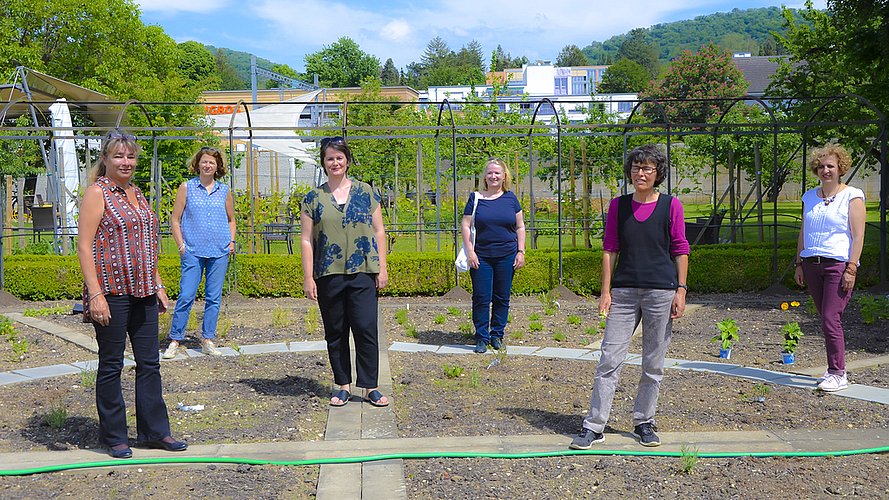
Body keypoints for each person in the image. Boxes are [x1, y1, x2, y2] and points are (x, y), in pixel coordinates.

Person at [570, 144, 689, 449]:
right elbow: (610, 248)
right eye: (636, 167)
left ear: (658, 173)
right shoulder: (618, 206)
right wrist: (606, 291)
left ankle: (644, 422)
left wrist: (681, 289)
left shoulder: (671, 205)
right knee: (609, 359)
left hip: (660, 291)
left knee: (653, 362)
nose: (641, 173)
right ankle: (594, 425)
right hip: (623, 293)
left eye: (648, 168)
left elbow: (680, 248)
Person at [77, 130, 187, 459]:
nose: (126, 162)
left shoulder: (137, 193)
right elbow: (84, 247)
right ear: (106, 160)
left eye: (130, 157)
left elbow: (147, 245)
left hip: (143, 292)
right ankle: (114, 437)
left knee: (149, 364)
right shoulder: (97, 193)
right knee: (111, 365)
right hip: (110, 291)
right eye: (119, 157)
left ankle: (155, 432)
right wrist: (95, 295)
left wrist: (158, 284)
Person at [300, 137, 389, 407]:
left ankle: (370, 386)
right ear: (324, 163)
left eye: (339, 158)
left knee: (365, 329)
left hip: (364, 271)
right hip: (328, 274)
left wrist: (382, 267)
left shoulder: (366, 193)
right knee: (335, 331)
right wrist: (307, 277)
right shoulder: (313, 198)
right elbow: (305, 238)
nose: (335, 163)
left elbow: (379, 231)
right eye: (330, 158)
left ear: (347, 160)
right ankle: (342, 385)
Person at [794, 143, 865, 392]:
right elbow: (804, 231)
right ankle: (832, 369)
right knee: (826, 320)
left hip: (838, 265)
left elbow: (858, 236)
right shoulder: (809, 197)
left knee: (830, 318)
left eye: (830, 166)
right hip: (812, 264)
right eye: (821, 166)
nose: (826, 170)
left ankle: (838, 372)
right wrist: (799, 263)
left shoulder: (852, 196)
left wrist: (851, 268)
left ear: (840, 168)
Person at [163, 146, 236, 359]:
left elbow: (231, 219)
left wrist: (231, 242)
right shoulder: (187, 187)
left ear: (217, 167)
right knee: (186, 295)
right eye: (204, 161)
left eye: (212, 162)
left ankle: (208, 340)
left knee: (214, 298)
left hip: (219, 251)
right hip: (192, 251)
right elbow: (175, 220)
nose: (207, 165)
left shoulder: (224, 191)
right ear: (198, 164)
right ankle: (175, 340)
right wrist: (181, 246)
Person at [461, 158, 526, 354]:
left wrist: (521, 251)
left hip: (507, 256)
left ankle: (497, 335)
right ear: (485, 177)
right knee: (481, 297)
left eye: (497, 173)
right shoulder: (476, 198)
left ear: (504, 176)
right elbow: (465, 225)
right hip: (481, 257)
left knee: (502, 297)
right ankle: (482, 336)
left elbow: (520, 226)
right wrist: (470, 251)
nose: (493, 176)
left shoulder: (511, 198)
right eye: (490, 173)